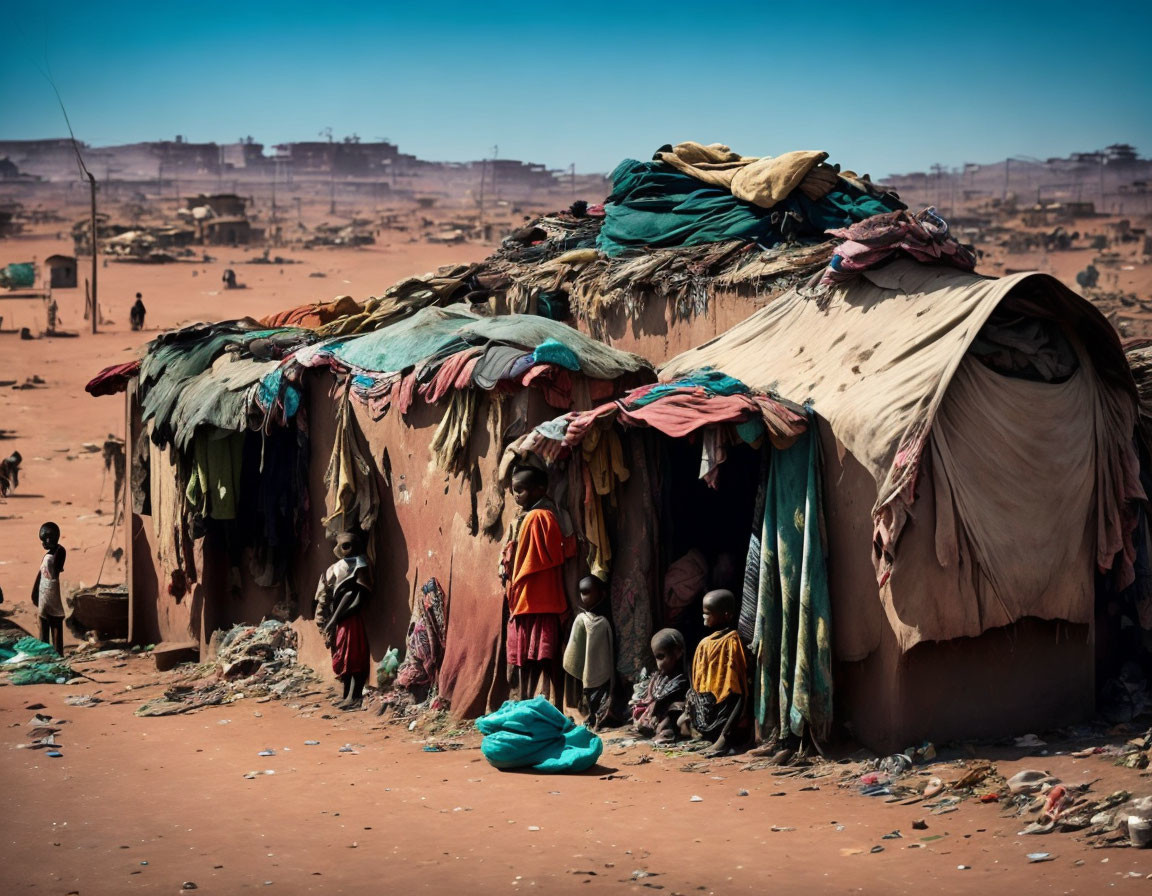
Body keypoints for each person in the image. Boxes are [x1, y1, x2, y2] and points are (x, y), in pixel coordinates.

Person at [500, 465, 575, 704]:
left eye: (521, 490)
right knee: (540, 658)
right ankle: (544, 705)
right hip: (537, 599)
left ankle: (533, 703)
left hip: (535, 597)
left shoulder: (538, 516)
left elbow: (540, 555)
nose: (516, 495)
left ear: (540, 489)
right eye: (514, 490)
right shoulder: (538, 514)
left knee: (538, 659)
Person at [678, 589, 748, 756]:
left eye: (708, 613)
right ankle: (712, 735)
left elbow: (733, 680)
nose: (704, 617)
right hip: (707, 698)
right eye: (703, 613)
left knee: (733, 699)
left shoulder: (731, 641)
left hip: (727, 698)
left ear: (726, 615)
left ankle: (724, 739)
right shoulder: (705, 642)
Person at [314, 530, 372, 710]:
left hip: (350, 619)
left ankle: (355, 697)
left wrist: (339, 615)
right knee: (344, 658)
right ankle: (347, 695)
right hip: (342, 619)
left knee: (353, 658)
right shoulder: (339, 567)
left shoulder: (360, 564)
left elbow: (358, 593)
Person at [562, 575, 617, 729]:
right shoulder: (581, 619)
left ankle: (600, 717)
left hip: (602, 667)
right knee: (588, 696)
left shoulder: (604, 622)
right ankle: (590, 717)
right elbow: (575, 646)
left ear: (602, 593)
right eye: (582, 593)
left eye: (588, 592)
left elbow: (610, 647)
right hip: (586, 670)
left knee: (601, 696)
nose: (583, 597)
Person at [631, 628, 689, 744]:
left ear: (677, 652)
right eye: (656, 658)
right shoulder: (660, 676)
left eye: (661, 657)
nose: (658, 664)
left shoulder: (683, 679)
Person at [31, 521, 66, 654]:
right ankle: (44, 653)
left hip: (51, 591)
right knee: (43, 621)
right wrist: (35, 592)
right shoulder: (47, 555)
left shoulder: (59, 551)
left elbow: (56, 569)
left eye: (47, 539)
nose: (44, 543)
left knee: (56, 622)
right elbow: (41, 574)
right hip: (43, 592)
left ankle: (58, 654)